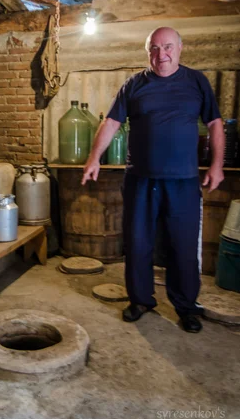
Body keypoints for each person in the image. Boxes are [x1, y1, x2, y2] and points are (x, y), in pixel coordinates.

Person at [81, 27, 225, 333]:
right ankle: (141, 300)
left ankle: (186, 306)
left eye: (168, 47)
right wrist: (94, 158)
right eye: (155, 49)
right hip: (140, 181)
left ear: (180, 48)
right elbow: (111, 122)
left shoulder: (196, 82)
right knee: (137, 243)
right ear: (148, 52)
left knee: (183, 247)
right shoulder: (134, 84)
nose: (162, 55)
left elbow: (214, 123)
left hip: (184, 182)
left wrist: (217, 165)